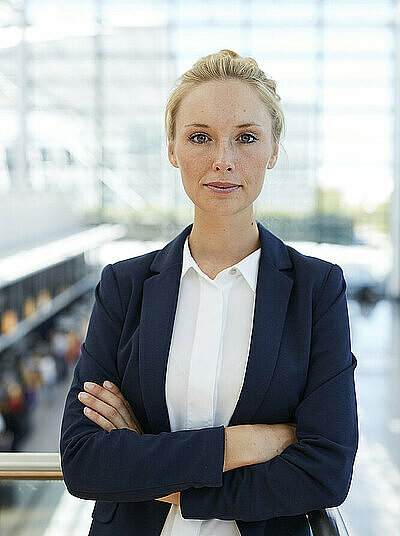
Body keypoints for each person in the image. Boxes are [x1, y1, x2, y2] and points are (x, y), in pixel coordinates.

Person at [60, 50, 359, 536]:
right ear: (173, 148)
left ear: (273, 149)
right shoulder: (124, 286)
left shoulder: (316, 290)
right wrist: (242, 445)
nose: (223, 160)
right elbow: (84, 461)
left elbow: (325, 471)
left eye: (246, 137)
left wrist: (149, 463)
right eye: (201, 137)